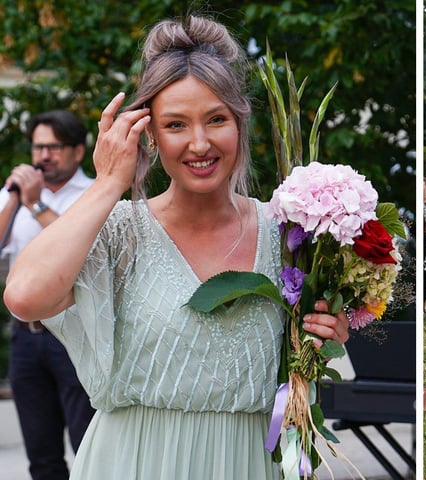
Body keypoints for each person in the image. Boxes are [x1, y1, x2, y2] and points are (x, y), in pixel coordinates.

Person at [3, 16, 350, 479]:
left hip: (248, 462)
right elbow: (24, 297)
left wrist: (326, 334)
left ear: (239, 122)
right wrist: (108, 183)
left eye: (216, 119)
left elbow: (306, 367)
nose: (199, 143)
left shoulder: (288, 232)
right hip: (133, 462)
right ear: (149, 134)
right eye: (175, 125)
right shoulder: (123, 230)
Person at [0, 110, 96, 479]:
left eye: (53, 147)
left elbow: (85, 255)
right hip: (26, 338)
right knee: (41, 456)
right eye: (38, 147)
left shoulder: (93, 195)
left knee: (87, 447)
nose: (43, 156)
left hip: (76, 336)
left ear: (77, 150)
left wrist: (37, 205)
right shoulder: (16, 197)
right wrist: (14, 200)